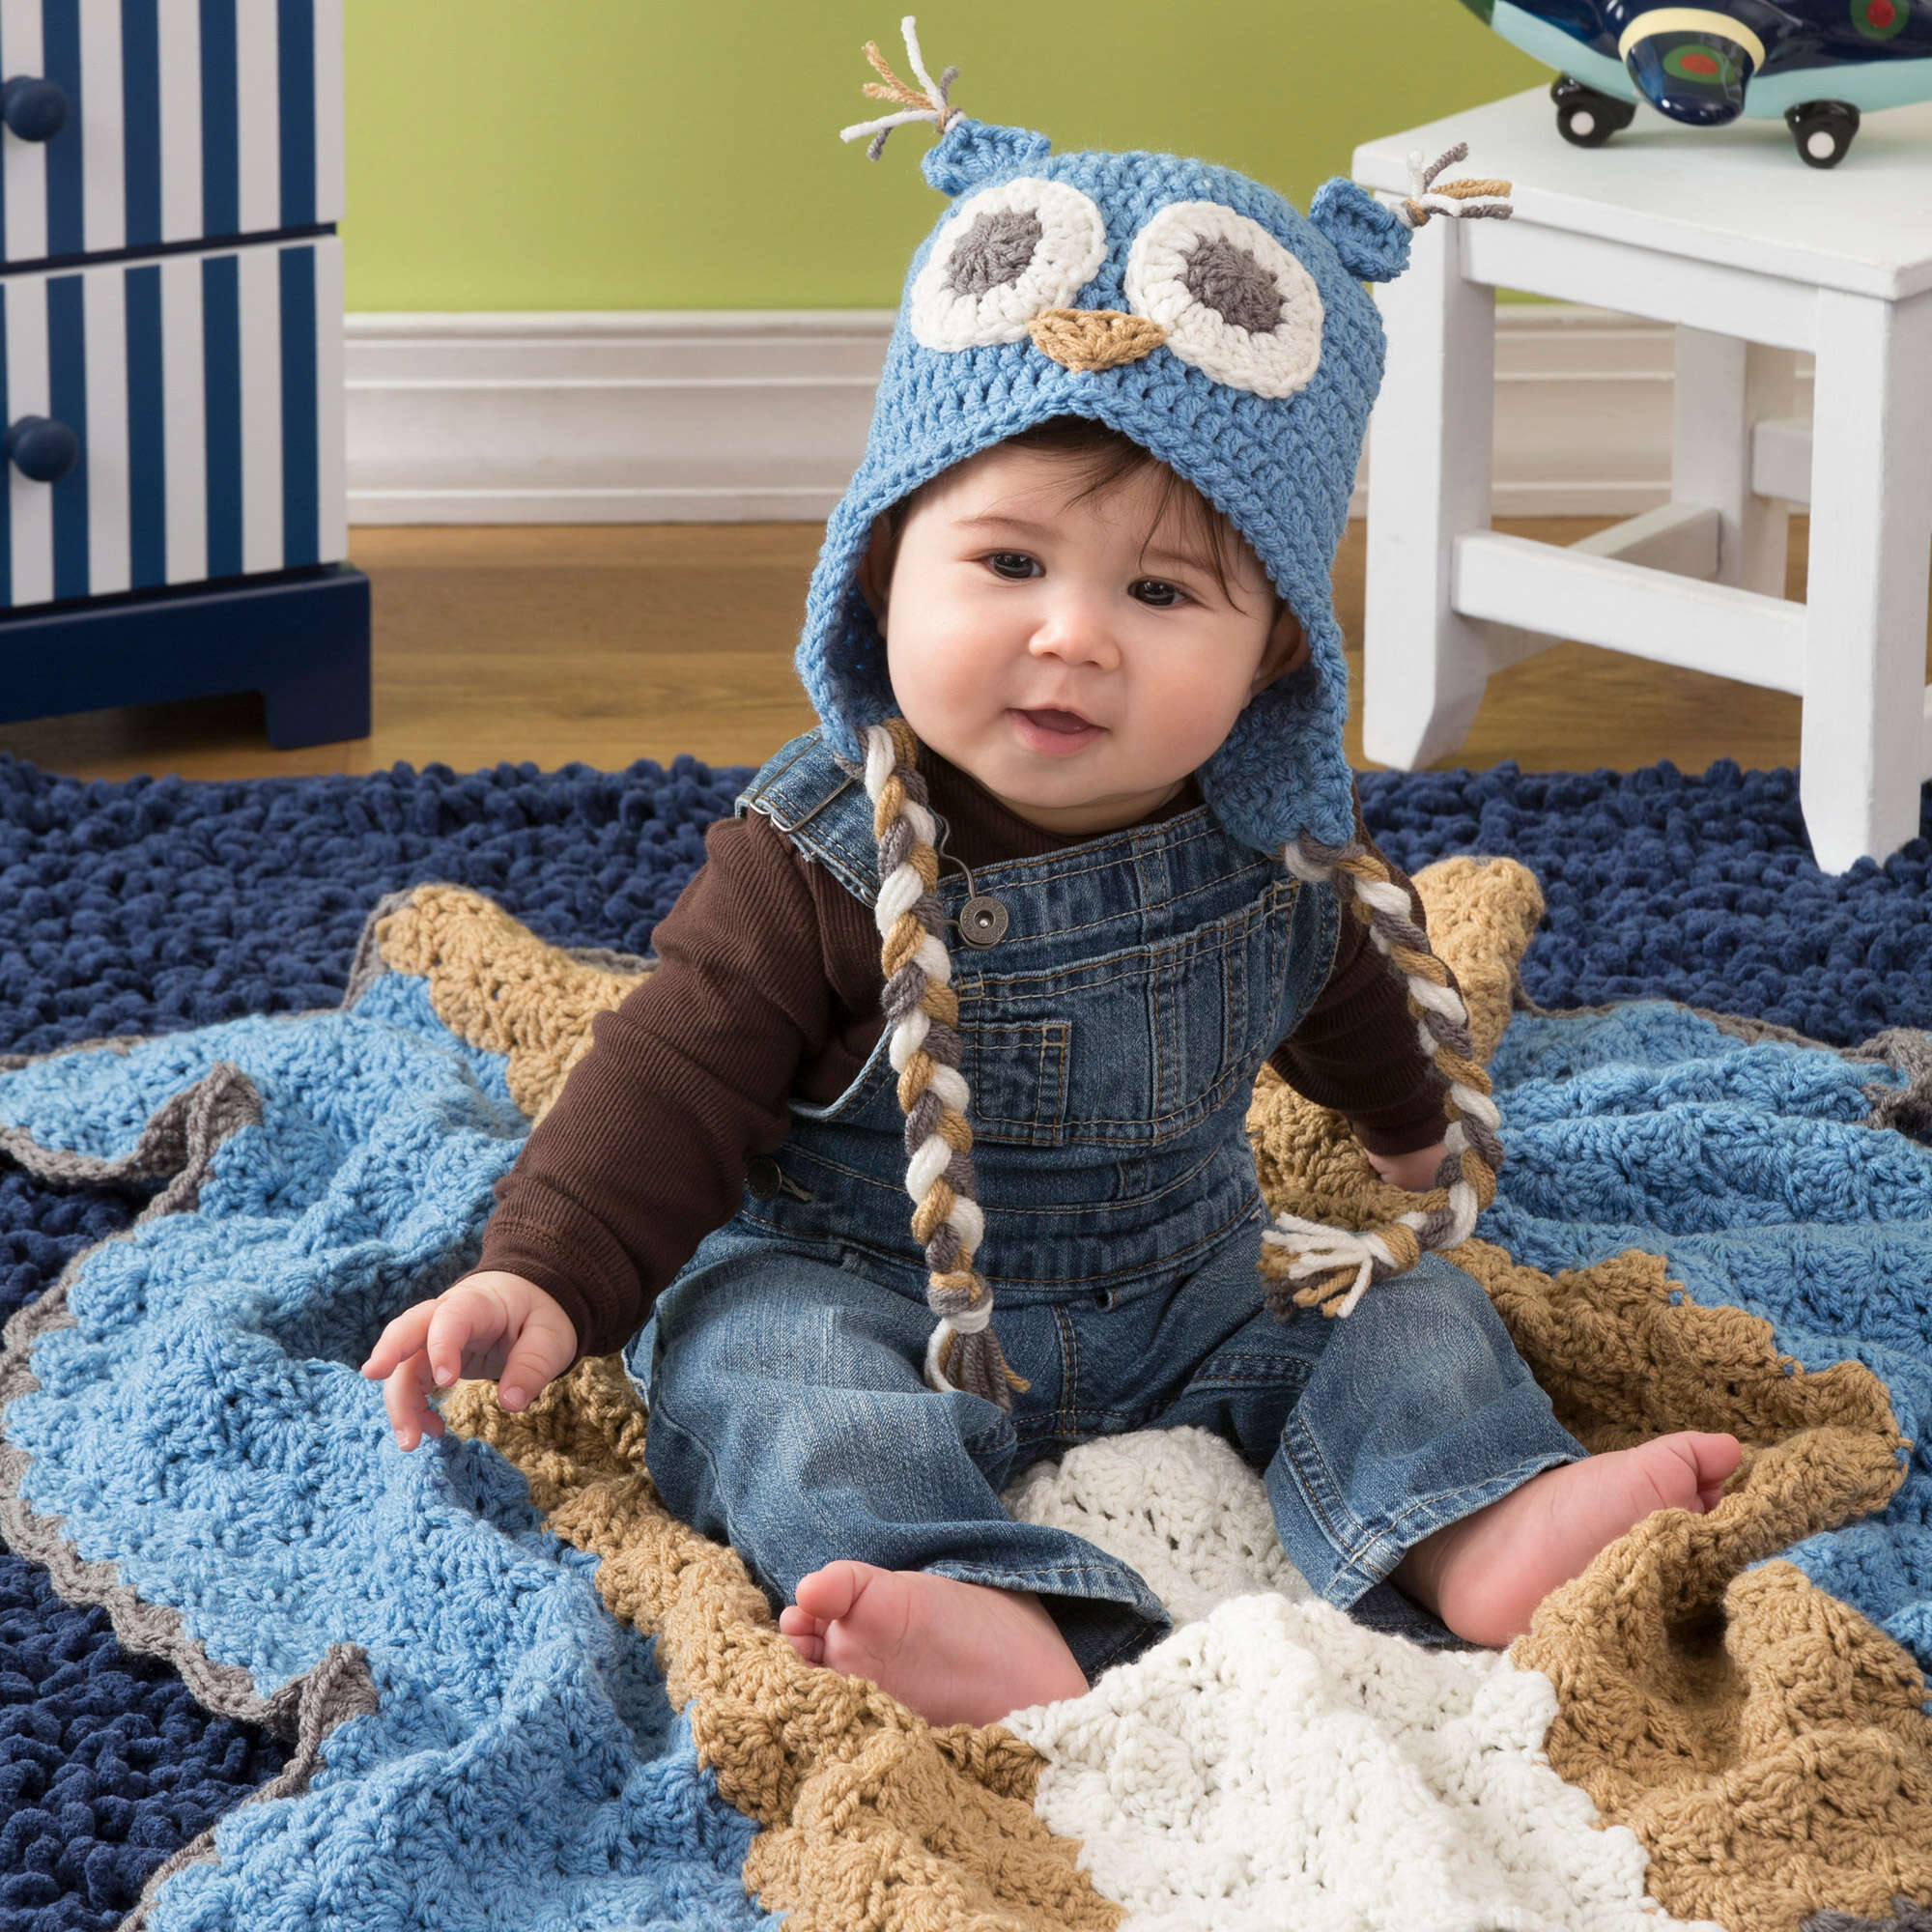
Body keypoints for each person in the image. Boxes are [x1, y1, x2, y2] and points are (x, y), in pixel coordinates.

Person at [362, 25, 1740, 1728]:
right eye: (1009, 562)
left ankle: (1476, 1517)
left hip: (1188, 1292)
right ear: (883, 575)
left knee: (1412, 1316)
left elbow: (1344, 1000)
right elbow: (671, 1074)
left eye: (1162, 595)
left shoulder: (1272, 839)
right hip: (871, 1288)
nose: (1073, 634)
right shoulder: (815, 854)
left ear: (1275, 656)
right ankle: (961, 1591)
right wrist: (543, 1272)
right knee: (760, 1372)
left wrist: (1408, 1136)